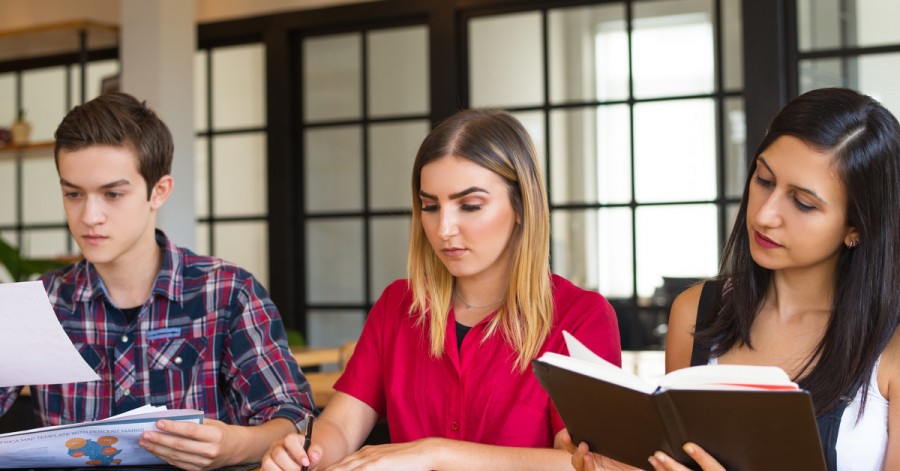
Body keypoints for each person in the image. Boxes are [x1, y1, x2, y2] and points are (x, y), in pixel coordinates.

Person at [261, 108, 621, 470]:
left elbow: (593, 464)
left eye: (470, 205)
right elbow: (339, 425)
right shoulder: (398, 306)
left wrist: (434, 453)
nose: (444, 228)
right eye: (430, 206)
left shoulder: (581, 316)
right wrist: (304, 454)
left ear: (522, 206)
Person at [568, 87, 900, 471]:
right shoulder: (696, 314)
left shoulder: (890, 344)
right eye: (764, 180)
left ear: (857, 226)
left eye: (803, 203)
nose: (764, 215)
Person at [0, 92, 316, 471]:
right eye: (73, 194)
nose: (90, 216)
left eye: (113, 194)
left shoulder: (228, 293)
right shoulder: (41, 304)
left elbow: (295, 418)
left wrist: (235, 445)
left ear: (159, 191)